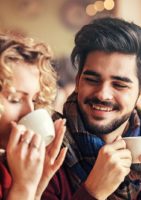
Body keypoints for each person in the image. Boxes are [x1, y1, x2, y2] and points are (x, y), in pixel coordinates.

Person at [43, 17, 141, 200]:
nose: (102, 94)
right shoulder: (47, 150)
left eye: (119, 85)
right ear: (77, 82)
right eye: (92, 80)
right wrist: (93, 191)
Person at [0, 32, 67, 200]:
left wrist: (38, 184)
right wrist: (23, 187)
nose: (29, 112)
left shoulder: (8, 165)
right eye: (15, 99)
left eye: (35, 100)